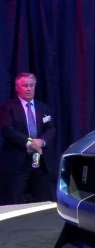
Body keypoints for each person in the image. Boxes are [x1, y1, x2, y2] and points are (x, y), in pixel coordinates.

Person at [0, 73, 56, 205]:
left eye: (32, 85)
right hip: (17, 162)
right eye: (25, 86)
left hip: (40, 161)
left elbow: (51, 129)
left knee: (42, 201)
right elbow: (7, 130)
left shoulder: (43, 107)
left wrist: (41, 142)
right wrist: (31, 143)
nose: (29, 89)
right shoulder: (8, 108)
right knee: (13, 200)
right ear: (17, 88)